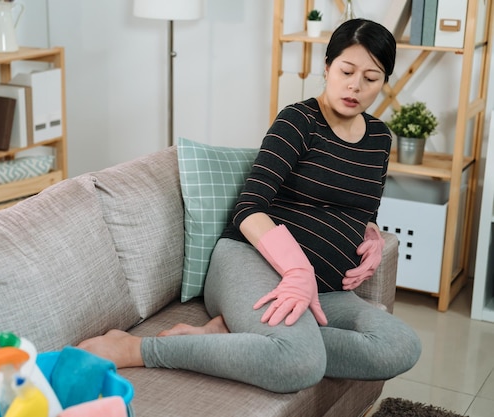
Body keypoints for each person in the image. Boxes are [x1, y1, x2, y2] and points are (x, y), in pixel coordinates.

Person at [77, 18, 421, 393]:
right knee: (298, 362)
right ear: (327, 67)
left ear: (383, 81)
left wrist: (371, 237)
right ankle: (141, 349)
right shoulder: (299, 121)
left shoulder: (379, 139)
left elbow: (363, 210)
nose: (355, 85)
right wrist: (296, 270)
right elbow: (249, 209)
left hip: (326, 292)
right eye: (346, 70)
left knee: (401, 346)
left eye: (371, 78)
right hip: (251, 262)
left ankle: (239, 335)